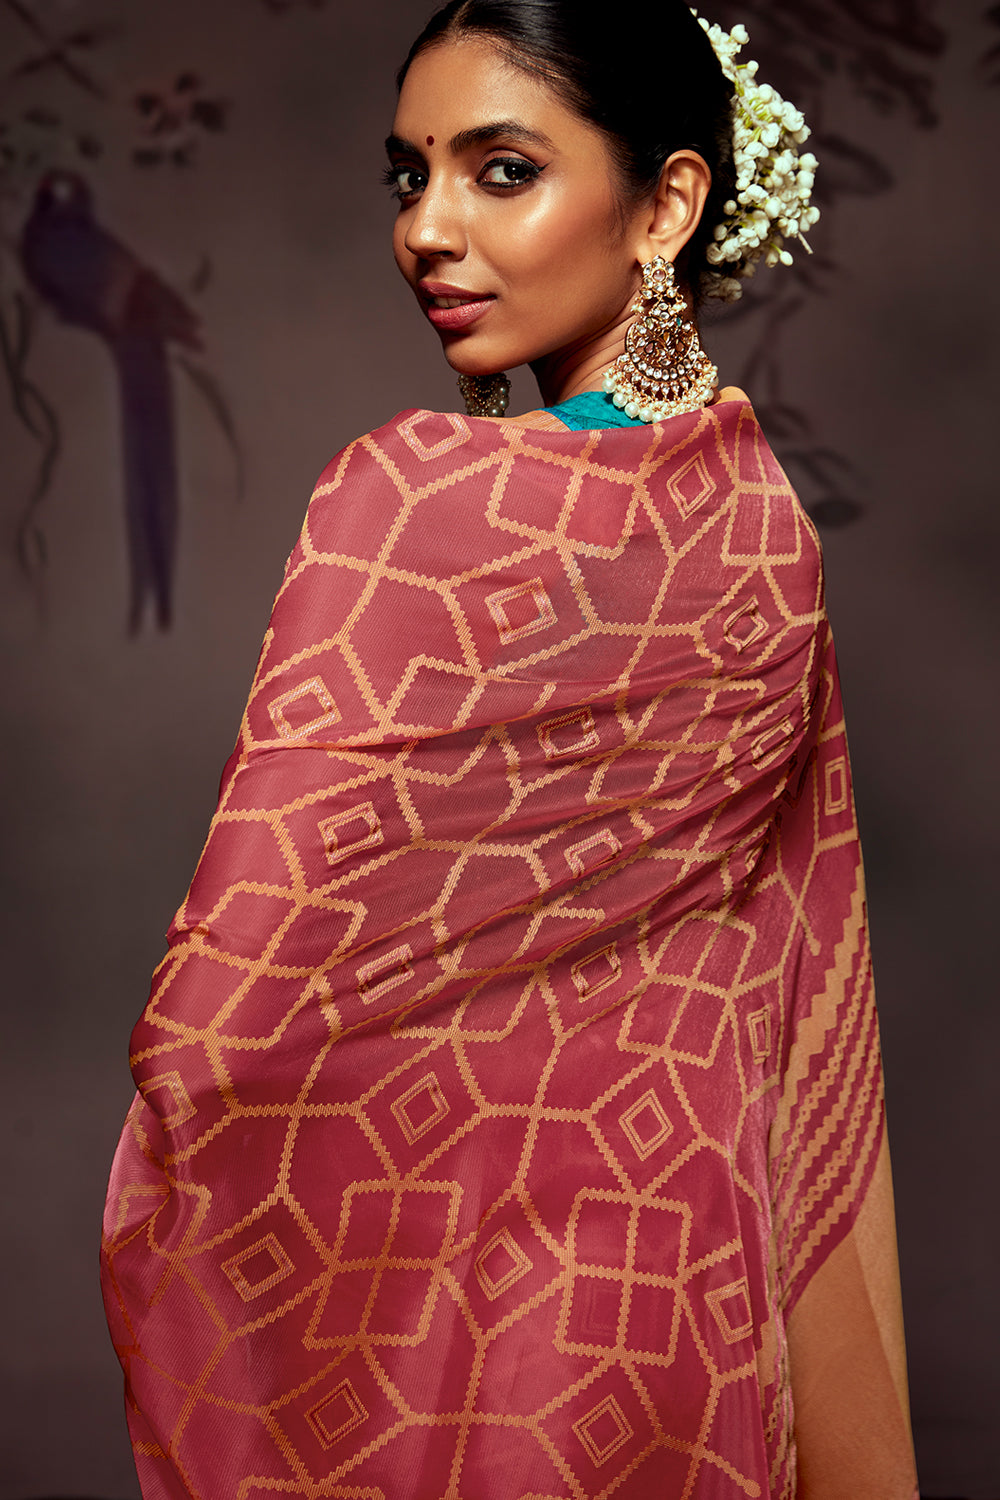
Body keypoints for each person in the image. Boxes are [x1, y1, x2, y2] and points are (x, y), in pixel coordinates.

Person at [101, 3, 918, 1496]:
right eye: (408, 175)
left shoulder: (406, 505)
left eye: (501, 171)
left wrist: (196, 1172)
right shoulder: (767, 527)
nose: (427, 228)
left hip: (465, 1315)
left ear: (666, 205)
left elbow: (220, 1027)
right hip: (687, 1289)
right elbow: (795, 982)